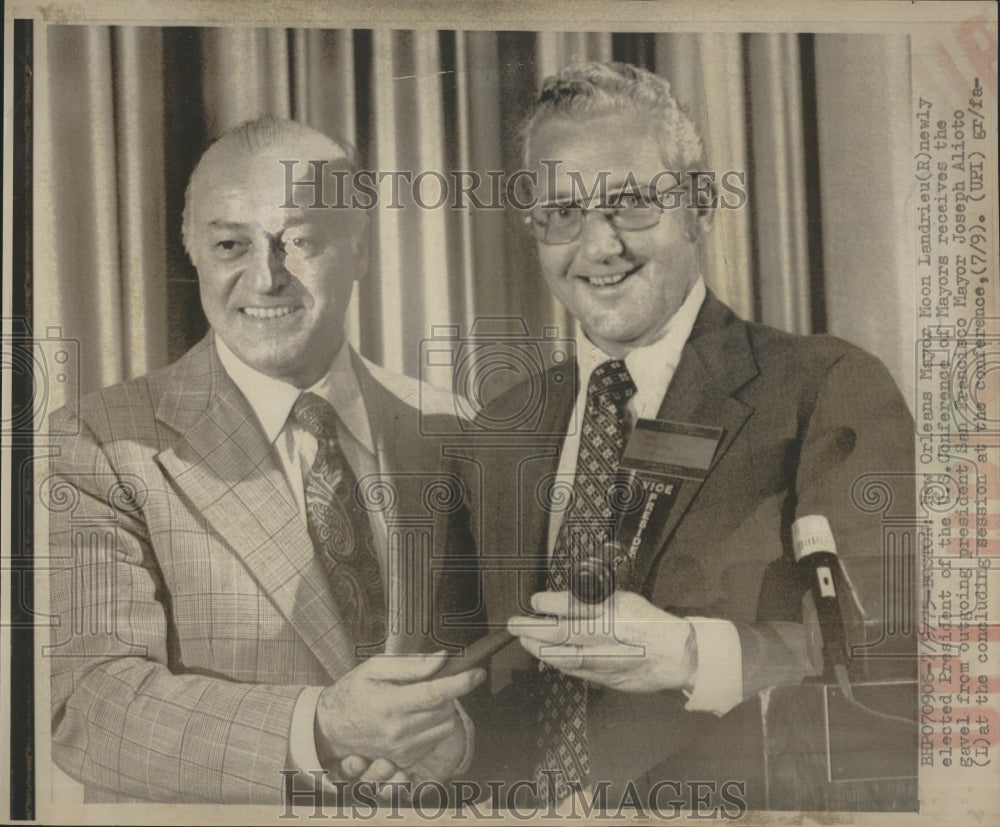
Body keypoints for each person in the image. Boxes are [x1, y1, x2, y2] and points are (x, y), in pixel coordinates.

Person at [438, 62, 915, 808]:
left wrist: (695, 655)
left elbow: (900, 657)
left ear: (697, 207)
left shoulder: (823, 387)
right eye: (562, 213)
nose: (598, 247)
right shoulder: (501, 427)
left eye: (630, 204)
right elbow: (483, 691)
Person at [47, 116, 484, 804]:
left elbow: (501, 668)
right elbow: (94, 711)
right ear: (192, 248)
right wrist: (322, 726)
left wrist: (457, 737)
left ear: (361, 248)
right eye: (231, 244)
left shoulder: (453, 428)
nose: (266, 277)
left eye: (302, 241)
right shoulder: (99, 441)